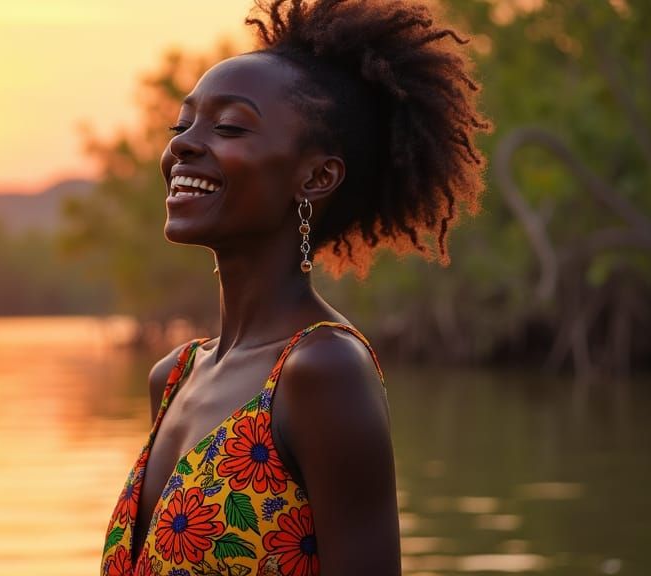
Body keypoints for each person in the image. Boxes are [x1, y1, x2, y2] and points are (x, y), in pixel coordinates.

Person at [100, 0, 488, 574]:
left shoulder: (323, 372)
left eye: (229, 126)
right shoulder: (174, 376)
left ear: (316, 177)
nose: (182, 144)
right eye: (181, 125)